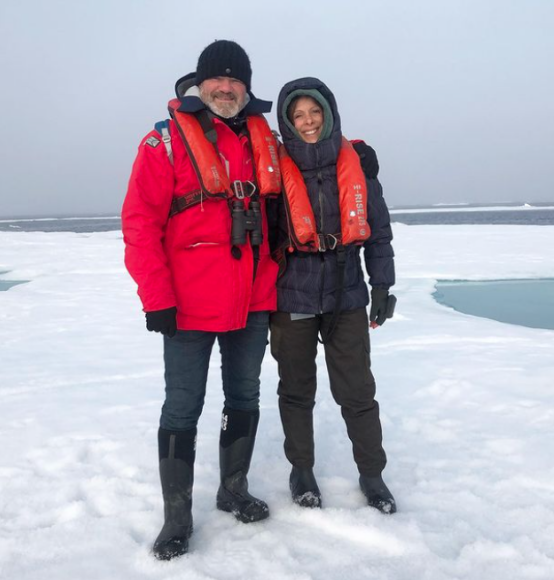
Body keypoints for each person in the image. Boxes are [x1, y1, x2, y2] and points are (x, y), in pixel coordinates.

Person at [121, 40, 284, 560]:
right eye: (218, 79)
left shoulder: (266, 139)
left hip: (253, 300)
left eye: (237, 80)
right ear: (201, 82)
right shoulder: (162, 143)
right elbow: (139, 224)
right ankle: (176, 517)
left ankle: (232, 489)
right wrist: (155, 296)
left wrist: (359, 154)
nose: (227, 88)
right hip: (186, 306)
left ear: (247, 86)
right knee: (183, 406)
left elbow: (317, 150)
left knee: (244, 397)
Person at [267, 77, 397, 514]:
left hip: (347, 293)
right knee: (297, 390)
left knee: (358, 391)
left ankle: (372, 474)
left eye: (314, 112)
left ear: (328, 113)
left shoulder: (356, 160)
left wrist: (382, 285)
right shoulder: (271, 165)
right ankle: (301, 470)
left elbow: (378, 231)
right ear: (287, 120)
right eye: (297, 115)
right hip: (293, 296)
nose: (307, 122)